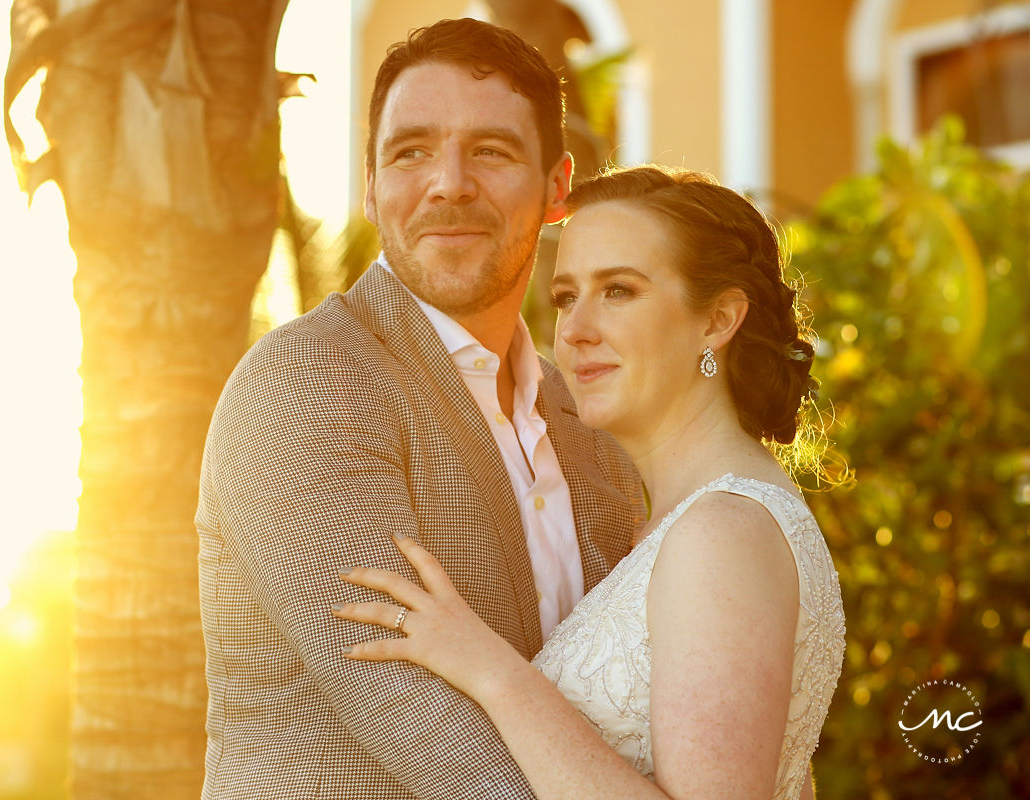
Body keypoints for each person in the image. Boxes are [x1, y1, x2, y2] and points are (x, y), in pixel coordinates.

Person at [195, 18, 644, 800]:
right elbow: (426, 728)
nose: (449, 184)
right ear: (370, 185)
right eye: (411, 152)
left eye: (492, 151)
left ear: (557, 188)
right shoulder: (306, 383)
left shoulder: (593, 425)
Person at [335, 165, 847, 800]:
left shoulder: (723, 533)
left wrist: (493, 671)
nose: (574, 330)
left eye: (620, 290)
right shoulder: (688, 521)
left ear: (717, 320)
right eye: (566, 296)